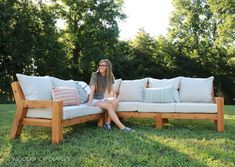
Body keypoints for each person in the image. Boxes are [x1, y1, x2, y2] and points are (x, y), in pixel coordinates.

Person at [87, 59, 134, 132]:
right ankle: (122, 127)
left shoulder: (110, 76)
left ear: (107, 67)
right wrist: (89, 104)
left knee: (115, 102)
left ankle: (107, 123)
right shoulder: (95, 75)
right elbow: (92, 91)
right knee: (109, 106)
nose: (101, 67)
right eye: (100, 65)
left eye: (103, 65)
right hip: (94, 99)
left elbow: (111, 90)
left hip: (101, 99)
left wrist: (114, 99)